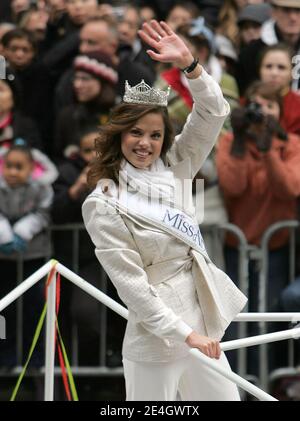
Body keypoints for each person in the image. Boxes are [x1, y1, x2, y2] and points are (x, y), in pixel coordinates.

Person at [82, 20, 247, 401]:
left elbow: (214, 111)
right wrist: (184, 335)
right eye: (135, 133)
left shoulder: (178, 166)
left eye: (155, 134)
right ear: (119, 135)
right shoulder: (103, 203)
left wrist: (191, 65)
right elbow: (133, 287)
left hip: (204, 325)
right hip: (157, 338)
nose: (145, 143)